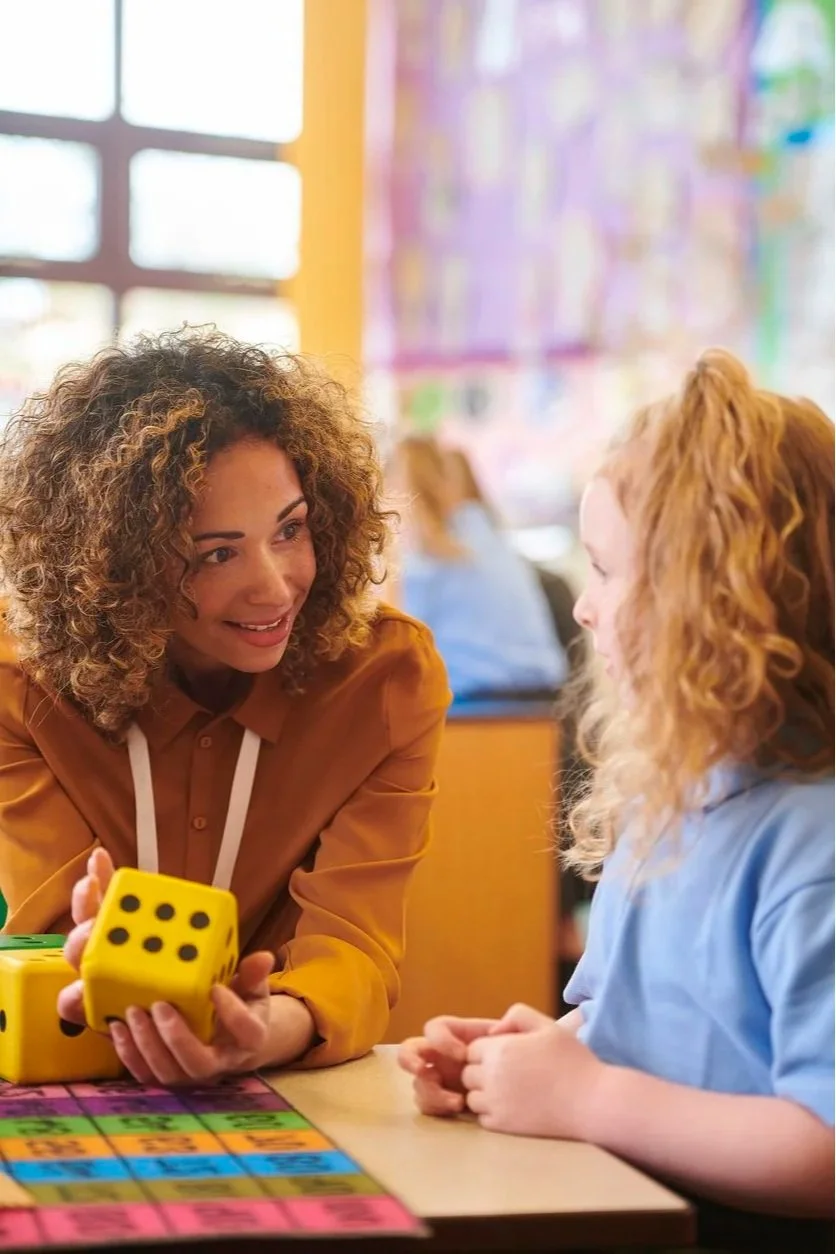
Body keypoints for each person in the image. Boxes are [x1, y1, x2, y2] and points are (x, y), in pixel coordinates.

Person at [398, 350, 834, 1240]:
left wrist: (592, 1097)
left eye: (605, 570)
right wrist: (541, 1055)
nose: (584, 609)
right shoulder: (667, 795)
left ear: (712, 601)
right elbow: (624, 1018)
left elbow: (824, 1149)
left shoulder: (811, 841)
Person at [0, 327, 450, 1085]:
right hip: (78, 1066)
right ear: (117, 569)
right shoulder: (22, 686)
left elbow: (353, 943)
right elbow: (56, 939)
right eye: (216, 553)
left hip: (283, 1076)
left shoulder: (383, 681)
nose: (274, 588)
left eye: (290, 530)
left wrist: (267, 1027)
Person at [391, 435, 567, 699]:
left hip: (478, 705)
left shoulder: (427, 560)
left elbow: (398, 651)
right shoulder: (488, 535)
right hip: (545, 703)